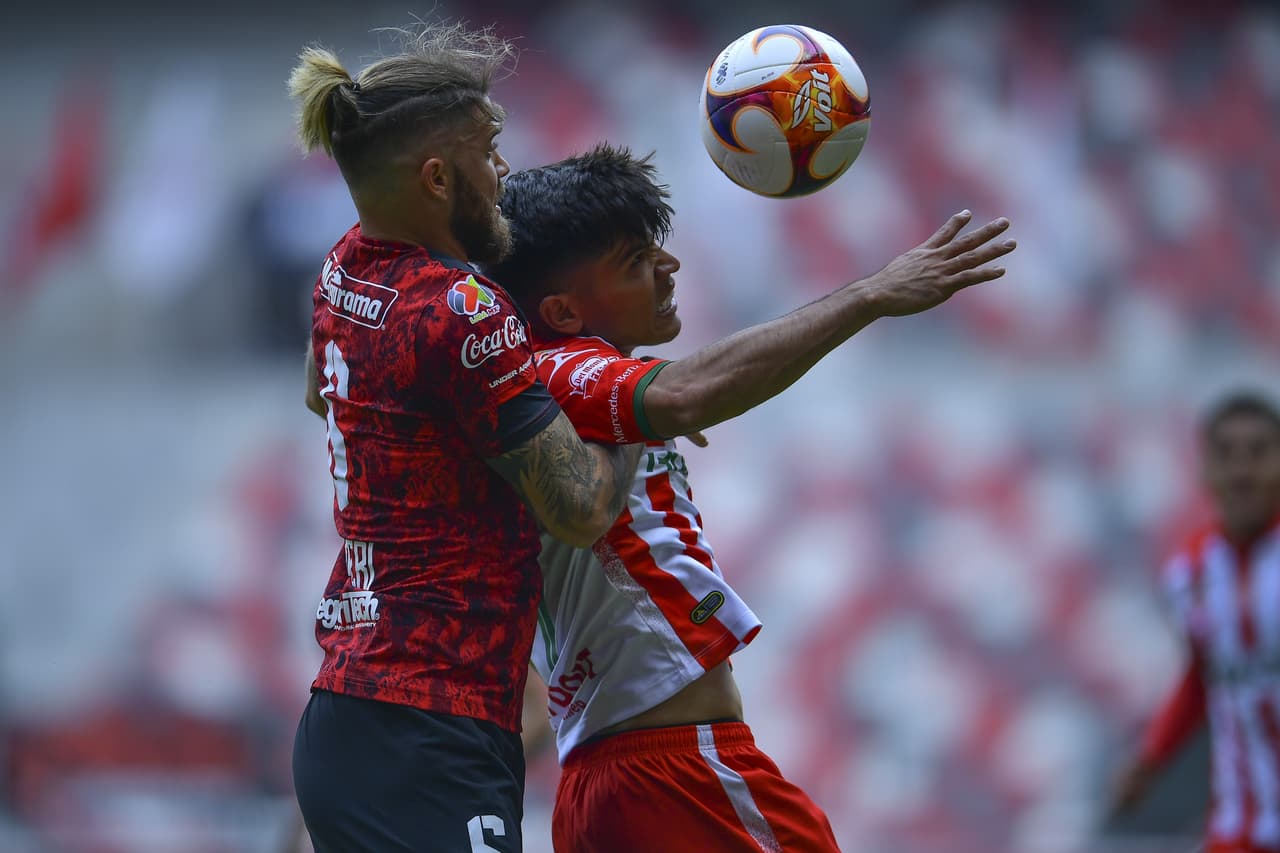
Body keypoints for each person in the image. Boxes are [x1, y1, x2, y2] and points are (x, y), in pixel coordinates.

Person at [483, 144, 1017, 852]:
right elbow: (687, 392)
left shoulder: (568, 388)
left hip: (616, 780)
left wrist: (647, 407)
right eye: (636, 261)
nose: (668, 268)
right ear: (562, 309)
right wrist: (870, 294)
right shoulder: (564, 370)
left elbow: (671, 396)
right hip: (675, 773)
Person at [284, 27, 642, 853]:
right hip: (432, 726)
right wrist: (622, 391)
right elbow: (582, 507)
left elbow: (318, 389)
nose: (504, 170)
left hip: (346, 712)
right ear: (438, 177)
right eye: (491, 149)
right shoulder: (463, 308)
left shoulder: (343, 268)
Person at [1111, 392, 1280, 853]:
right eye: (1227, 455)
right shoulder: (1189, 573)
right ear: (1206, 471)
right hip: (1238, 825)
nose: (1242, 471)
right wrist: (1150, 759)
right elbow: (1202, 676)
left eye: (1259, 453)